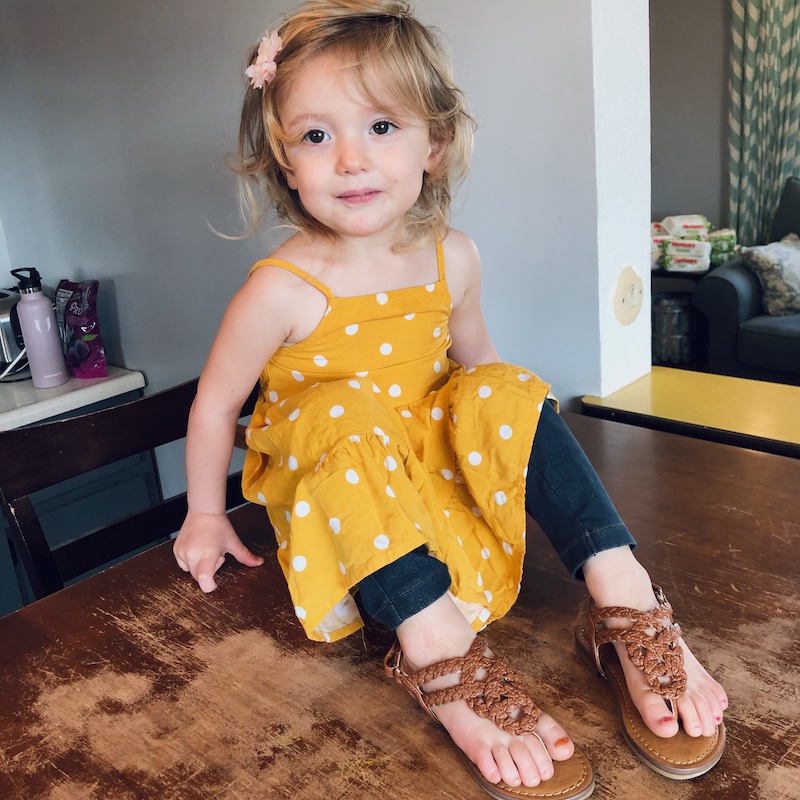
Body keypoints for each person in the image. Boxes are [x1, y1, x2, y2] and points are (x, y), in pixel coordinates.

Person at [173, 2, 728, 797]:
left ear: (433, 143)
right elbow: (215, 406)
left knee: (505, 384)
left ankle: (624, 601)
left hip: (429, 486)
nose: (352, 160)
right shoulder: (279, 290)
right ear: (284, 162)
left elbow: (485, 383)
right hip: (345, 500)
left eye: (383, 127)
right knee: (344, 407)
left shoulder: (453, 258)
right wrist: (203, 516)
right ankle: (437, 653)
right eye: (317, 135)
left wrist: (509, 446)